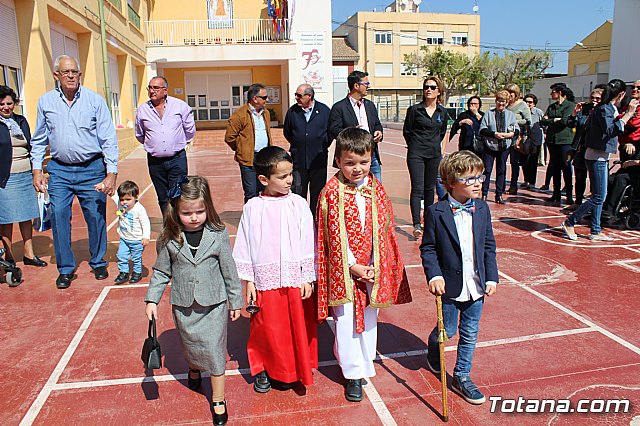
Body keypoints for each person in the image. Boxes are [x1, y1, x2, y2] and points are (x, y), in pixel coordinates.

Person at [316, 127, 412, 402]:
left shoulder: (376, 188)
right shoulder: (331, 192)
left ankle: (366, 360)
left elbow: (384, 228)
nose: (357, 169)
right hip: (345, 270)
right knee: (346, 321)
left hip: (372, 267)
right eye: (349, 163)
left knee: (370, 317)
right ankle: (352, 373)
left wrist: (375, 265)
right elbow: (331, 235)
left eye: (363, 162)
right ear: (337, 162)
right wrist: (352, 265)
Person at [145, 176, 243, 426]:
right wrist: (152, 300)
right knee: (191, 346)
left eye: (200, 211)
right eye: (187, 213)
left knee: (215, 351)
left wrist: (236, 300)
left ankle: (219, 399)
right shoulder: (168, 238)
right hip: (185, 305)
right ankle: (194, 367)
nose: (194, 217)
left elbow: (228, 269)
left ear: (207, 207)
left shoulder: (218, 233)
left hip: (214, 304)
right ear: (176, 212)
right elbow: (161, 271)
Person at [233, 146, 318, 393]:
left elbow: (307, 241)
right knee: (266, 327)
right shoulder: (253, 207)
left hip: (293, 279)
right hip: (264, 280)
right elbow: (245, 244)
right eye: (282, 176)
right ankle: (263, 369)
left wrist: (306, 277)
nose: (289, 180)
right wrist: (248, 280)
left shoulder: (299, 204)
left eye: (290, 174)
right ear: (263, 179)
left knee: (294, 326)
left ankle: (294, 369)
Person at [31, 55, 118, 289]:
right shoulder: (46, 102)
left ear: (80, 75)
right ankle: (66, 268)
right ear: (56, 75)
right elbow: (38, 139)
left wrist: (112, 172)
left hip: (92, 169)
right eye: (66, 72)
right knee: (59, 215)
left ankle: (98, 261)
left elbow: (108, 138)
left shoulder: (94, 101)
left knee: (96, 216)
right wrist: (37, 169)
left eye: (75, 72)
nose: (71, 76)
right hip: (59, 170)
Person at [420, 150, 498, 405]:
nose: (478, 183)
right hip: (450, 287)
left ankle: (462, 376)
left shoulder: (483, 208)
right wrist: (434, 276)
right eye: (470, 179)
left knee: (470, 332)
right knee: (448, 331)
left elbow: (488, 245)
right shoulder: (436, 211)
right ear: (451, 183)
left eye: (480, 177)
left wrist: (492, 277)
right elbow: (429, 248)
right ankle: (433, 347)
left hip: (476, 286)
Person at [562, 79, 639, 242]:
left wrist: (626, 115)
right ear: (622, 94)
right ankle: (570, 221)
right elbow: (610, 130)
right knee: (599, 196)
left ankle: (595, 230)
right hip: (596, 157)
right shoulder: (604, 109)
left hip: (601, 157)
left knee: (600, 196)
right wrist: (629, 113)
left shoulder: (609, 108)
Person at [0, 85, 47, 269]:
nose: (6, 107)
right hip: (5, 177)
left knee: (27, 215)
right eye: (2, 104)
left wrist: (38, 170)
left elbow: (33, 145)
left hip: (25, 175)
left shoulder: (21, 121)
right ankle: (9, 257)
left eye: (9, 103)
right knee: (6, 218)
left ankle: (29, 254)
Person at [136, 76, 195, 215]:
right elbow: (140, 134)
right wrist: (154, 145)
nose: (152, 91)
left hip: (177, 159)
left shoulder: (180, 106)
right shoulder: (142, 110)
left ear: (165, 90)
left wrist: (175, 143)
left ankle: (180, 225)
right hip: (155, 161)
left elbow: (190, 130)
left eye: (155, 88)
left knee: (178, 194)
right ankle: (169, 226)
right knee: (163, 197)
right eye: (149, 88)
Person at [403, 76, 450, 238]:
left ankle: (428, 221)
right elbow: (407, 131)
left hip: (434, 155)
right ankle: (416, 223)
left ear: (439, 91)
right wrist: (416, 145)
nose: (428, 90)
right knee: (417, 188)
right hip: (416, 153)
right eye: (426, 87)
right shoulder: (414, 110)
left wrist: (435, 147)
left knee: (430, 189)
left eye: (432, 87)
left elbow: (442, 132)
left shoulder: (442, 112)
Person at [283, 84, 330, 216]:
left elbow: (330, 133)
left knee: (318, 194)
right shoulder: (292, 112)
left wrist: (322, 144)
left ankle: (315, 222)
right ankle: (299, 220)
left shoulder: (324, 111)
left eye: (299, 95)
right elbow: (287, 132)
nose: (296, 98)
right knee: (298, 193)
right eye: (296, 95)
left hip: (318, 160)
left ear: (309, 96)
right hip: (298, 161)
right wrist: (299, 143)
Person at [328, 70, 383, 182]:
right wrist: (352, 132)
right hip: (351, 158)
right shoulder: (339, 107)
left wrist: (379, 131)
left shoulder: (370, 105)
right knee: (351, 191)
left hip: (372, 156)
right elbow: (333, 130)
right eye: (366, 84)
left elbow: (377, 124)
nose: (369, 86)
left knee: (375, 191)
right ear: (356, 86)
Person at [225, 83, 273, 203]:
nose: (267, 99)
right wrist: (242, 149)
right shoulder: (240, 114)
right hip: (248, 160)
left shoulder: (266, 113)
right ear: (255, 98)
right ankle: (251, 219)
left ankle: (263, 218)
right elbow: (229, 137)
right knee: (251, 192)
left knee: (265, 190)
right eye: (264, 97)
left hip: (264, 158)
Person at [479, 90, 519, 204]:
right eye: (498, 101)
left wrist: (511, 134)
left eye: (503, 102)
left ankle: (499, 194)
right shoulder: (488, 114)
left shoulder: (510, 114)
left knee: (501, 171)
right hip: (490, 146)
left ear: (506, 103)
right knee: (487, 170)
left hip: (504, 146)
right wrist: (494, 134)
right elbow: (482, 129)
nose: (500, 104)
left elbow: (516, 129)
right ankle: (484, 194)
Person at [567, 89, 603, 209]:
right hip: (581, 148)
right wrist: (575, 112)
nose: (594, 101)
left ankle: (594, 204)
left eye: (598, 98)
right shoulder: (584, 112)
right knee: (580, 177)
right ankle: (578, 201)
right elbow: (571, 124)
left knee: (595, 177)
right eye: (592, 98)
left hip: (595, 149)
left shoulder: (604, 112)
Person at [540, 83, 576, 205]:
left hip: (565, 140)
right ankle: (556, 194)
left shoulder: (570, 105)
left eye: (553, 92)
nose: (551, 94)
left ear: (559, 92)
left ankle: (569, 195)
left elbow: (565, 121)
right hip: (552, 141)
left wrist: (552, 120)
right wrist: (553, 120)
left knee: (566, 167)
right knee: (555, 167)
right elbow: (543, 121)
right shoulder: (552, 106)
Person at [112, 181, 151, 284]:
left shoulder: (139, 209)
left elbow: (145, 223)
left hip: (137, 240)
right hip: (124, 238)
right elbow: (112, 193)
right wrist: (103, 186)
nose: (125, 202)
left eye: (128, 199)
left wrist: (146, 237)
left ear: (136, 197)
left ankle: (137, 273)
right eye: (122, 200)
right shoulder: (120, 204)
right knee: (121, 255)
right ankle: (123, 273)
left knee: (136, 258)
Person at [505, 83, 532, 196]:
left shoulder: (522, 105)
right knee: (502, 162)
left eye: (511, 93)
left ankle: (513, 185)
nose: (509, 95)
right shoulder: (505, 105)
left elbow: (528, 121)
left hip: (517, 137)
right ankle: (501, 185)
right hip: (505, 137)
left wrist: (514, 122)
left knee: (514, 162)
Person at [523, 93, 545, 189]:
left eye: (530, 102)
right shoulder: (521, 112)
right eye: (526, 102)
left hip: (535, 139)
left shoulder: (538, 112)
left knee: (533, 161)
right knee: (524, 161)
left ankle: (532, 182)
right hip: (524, 138)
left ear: (534, 104)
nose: (528, 104)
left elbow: (544, 125)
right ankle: (526, 180)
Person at [618, 80, 640, 163]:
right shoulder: (627, 106)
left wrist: (626, 115)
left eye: (639, 88)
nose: (635, 89)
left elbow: (634, 123)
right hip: (625, 145)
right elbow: (618, 124)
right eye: (633, 87)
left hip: (637, 146)